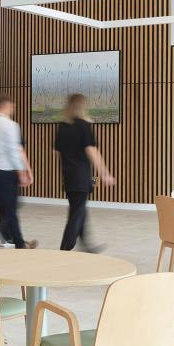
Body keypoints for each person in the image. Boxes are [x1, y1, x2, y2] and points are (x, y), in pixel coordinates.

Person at [54, 94, 116, 251]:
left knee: (79, 209)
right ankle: (65, 249)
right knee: (76, 214)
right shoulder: (83, 126)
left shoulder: (62, 126)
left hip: (68, 175)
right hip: (81, 176)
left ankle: (87, 244)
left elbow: (56, 152)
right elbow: (92, 151)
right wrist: (104, 173)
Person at [0, 98, 36, 250]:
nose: (13, 109)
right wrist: (22, 171)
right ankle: (20, 244)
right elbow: (14, 150)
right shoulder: (11, 125)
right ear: (5, 106)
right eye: (12, 106)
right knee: (11, 212)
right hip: (6, 174)